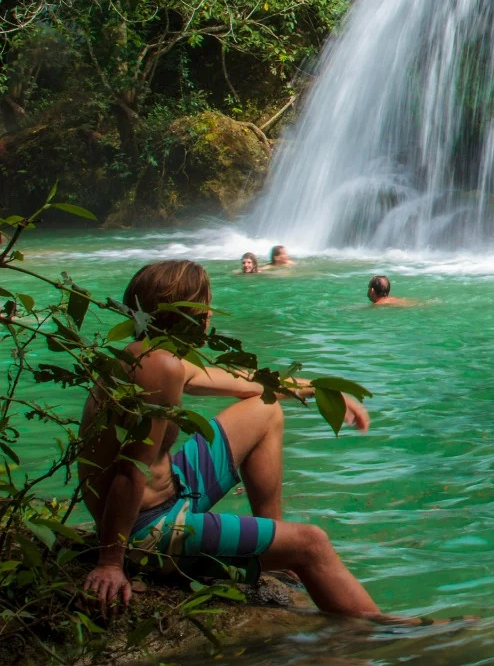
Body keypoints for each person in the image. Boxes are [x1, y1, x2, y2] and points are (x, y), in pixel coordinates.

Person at [78, 259, 379, 616]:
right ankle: (383, 633)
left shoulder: (157, 355)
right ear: (188, 311)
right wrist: (111, 562)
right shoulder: (158, 368)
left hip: (170, 492)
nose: (210, 315)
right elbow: (130, 471)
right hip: (146, 530)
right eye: (206, 305)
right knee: (312, 543)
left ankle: (275, 553)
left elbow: (250, 383)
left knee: (264, 409)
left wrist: (321, 389)